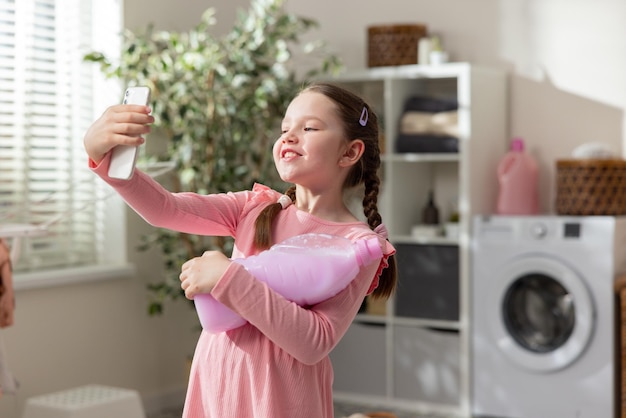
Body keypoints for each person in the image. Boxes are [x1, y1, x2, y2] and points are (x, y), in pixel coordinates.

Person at [83, 82, 397, 418]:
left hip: (281, 399)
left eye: (309, 128)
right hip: (219, 377)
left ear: (350, 153)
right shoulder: (254, 207)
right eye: (285, 128)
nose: (289, 136)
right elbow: (166, 208)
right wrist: (104, 157)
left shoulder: (359, 246)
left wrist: (228, 278)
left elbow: (313, 343)